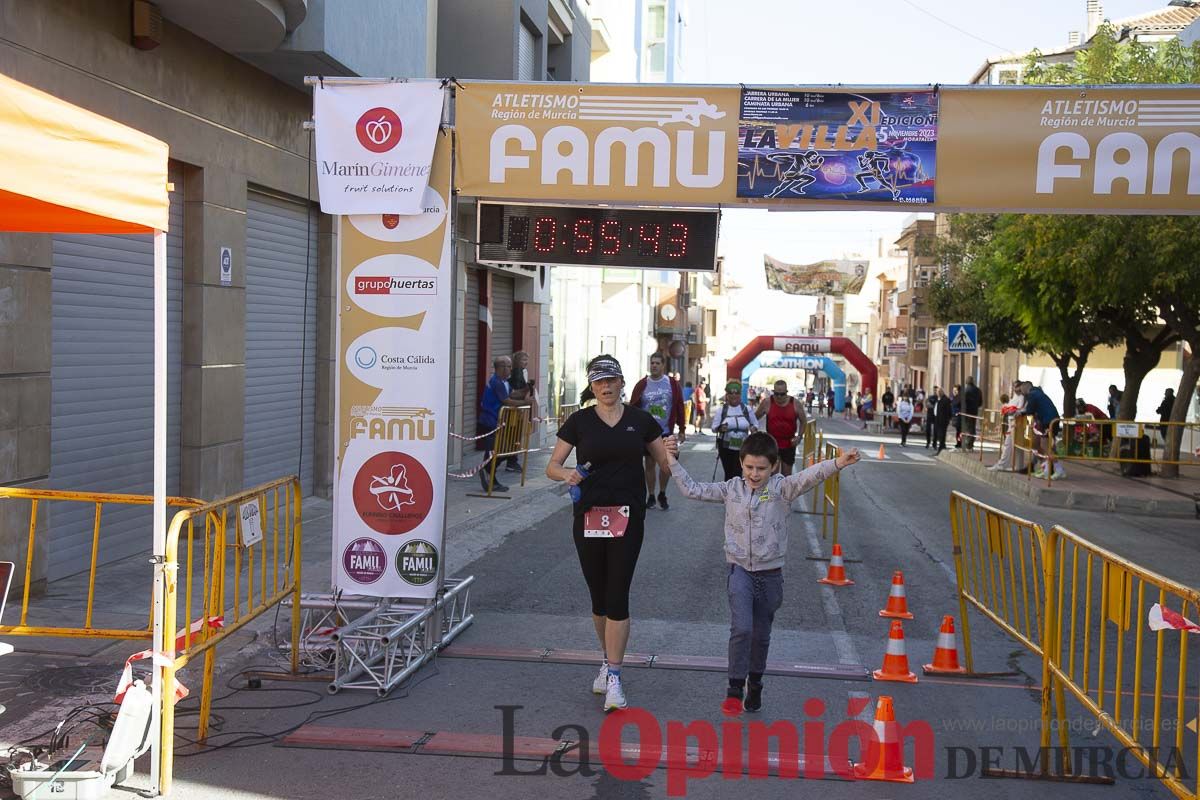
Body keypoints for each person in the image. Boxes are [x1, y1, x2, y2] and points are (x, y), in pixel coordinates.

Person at [668, 432, 861, 713]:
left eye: (761, 468)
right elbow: (692, 489)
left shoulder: (780, 489)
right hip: (740, 571)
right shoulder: (732, 489)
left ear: (773, 466)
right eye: (749, 468)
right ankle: (735, 686)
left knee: (760, 635)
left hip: (770, 574)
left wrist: (838, 463)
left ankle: (755, 683)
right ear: (741, 463)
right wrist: (672, 460)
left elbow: (809, 476)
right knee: (742, 628)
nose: (754, 474)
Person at [547, 354, 678, 711]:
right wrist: (567, 475)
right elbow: (552, 466)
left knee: (618, 593)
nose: (606, 387)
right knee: (599, 598)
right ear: (592, 387)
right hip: (588, 516)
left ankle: (616, 679)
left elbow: (664, 463)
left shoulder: (641, 421)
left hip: (627, 515)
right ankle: (607, 661)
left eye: (611, 380)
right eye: (599, 382)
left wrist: (671, 452)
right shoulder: (579, 422)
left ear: (622, 383)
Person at [629, 353, 686, 510]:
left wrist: (682, 429)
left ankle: (662, 492)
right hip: (647, 432)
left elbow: (680, 406)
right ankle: (651, 495)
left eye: (657, 363)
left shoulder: (672, 384)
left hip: (665, 431)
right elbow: (633, 406)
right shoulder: (642, 384)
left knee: (666, 464)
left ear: (663, 366)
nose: (654, 365)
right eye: (652, 363)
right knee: (649, 464)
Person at [478, 355, 523, 492]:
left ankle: (489, 475)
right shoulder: (496, 382)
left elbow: (511, 394)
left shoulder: (505, 382)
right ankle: (488, 475)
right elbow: (506, 401)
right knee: (497, 450)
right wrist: (525, 403)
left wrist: (525, 392)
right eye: (509, 366)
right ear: (501, 367)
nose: (511, 369)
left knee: (504, 450)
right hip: (491, 421)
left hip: (501, 422)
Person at [755, 380, 807, 476]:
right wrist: (756, 433)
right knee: (773, 475)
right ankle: (770, 491)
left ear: (786, 392)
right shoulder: (767, 402)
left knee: (786, 476)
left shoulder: (795, 403)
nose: (779, 397)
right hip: (772, 444)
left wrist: (799, 436)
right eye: (776, 394)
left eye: (782, 394)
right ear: (773, 392)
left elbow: (803, 421)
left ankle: (783, 491)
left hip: (789, 444)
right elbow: (754, 418)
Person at [1017, 381, 1064, 480]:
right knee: (1043, 445)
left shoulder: (1032, 395)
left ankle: (1059, 470)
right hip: (1051, 420)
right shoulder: (1039, 393)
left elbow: (1029, 410)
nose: (1022, 393)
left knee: (1046, 446)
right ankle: (1047, 469)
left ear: (1026, 389)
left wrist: (1019, 413)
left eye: (1021, 391)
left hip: (1048, 421)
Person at [714, 380, 759, 480]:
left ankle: (736, 494)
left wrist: (753, 428)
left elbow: (756, 423)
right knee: (729, 473)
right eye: (731, 393)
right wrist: (721, 428)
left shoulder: (747, 409)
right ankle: (729, 493)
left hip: (743, 446)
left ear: (740, 394)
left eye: (737, 393)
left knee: (738, 472)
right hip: (725, 446)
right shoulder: (722, 410)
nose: (734, 395)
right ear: (727, 394)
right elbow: (714, 427)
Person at [962, 375, 983, 451]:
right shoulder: (978, 390)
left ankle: (968, 445)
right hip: (974, 411)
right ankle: (970, 444)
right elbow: (980, 402)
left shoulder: (966, 390)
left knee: (968, 428)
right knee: (972, 427)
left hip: (967, 411)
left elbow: (963, 401)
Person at [932, 387, 953, 454]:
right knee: (938, 434)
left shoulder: (945, 400)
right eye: (937, 392)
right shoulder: (938, 399)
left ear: (941, 392)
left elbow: (948, 411)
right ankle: (942, 447)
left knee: (941, 435)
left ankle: (941, 448)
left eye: (938, 392)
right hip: (937, 419)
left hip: (942, 420)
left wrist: (947, 419)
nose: (937, 393)